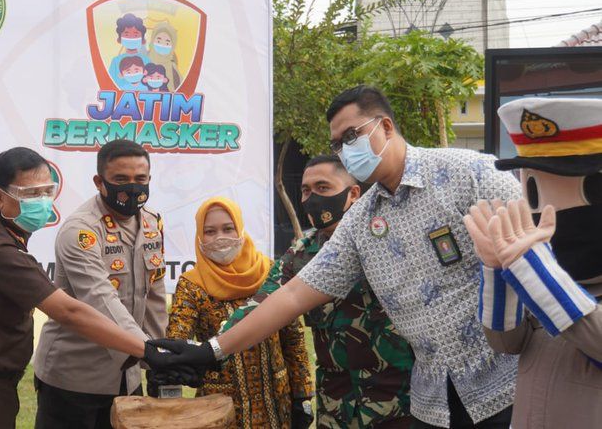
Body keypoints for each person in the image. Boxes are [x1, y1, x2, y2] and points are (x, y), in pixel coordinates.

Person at [148, 85, 523, 428]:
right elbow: (294, 294)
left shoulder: (470, 175)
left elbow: (537, 256)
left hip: (505, 386)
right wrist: (210, 351)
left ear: (386, 126)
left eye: (351, 136)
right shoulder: (361, 222)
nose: (346, 150)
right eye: (338, 144)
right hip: (432, 404)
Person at [0, 147, 171, 429]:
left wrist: (158, 353)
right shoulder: (3, 247)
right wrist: (150, 352)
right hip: (47, 380)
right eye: (32, 194)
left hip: (0, 381)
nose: (44, 202)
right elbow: (72, 310)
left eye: (48, 191)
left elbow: (152, 295)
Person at [220, 155, 415, 428]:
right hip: (336, 407)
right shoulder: (300, 255)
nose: (312, 198)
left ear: (353, 194)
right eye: (306, 190)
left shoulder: (387, 243)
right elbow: (261, 304)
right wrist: (209, 349)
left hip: (397, 403)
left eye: (323, 188)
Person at [464, 97, 602, 428]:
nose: (544, 213)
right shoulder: (551, 270)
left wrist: (534, 268)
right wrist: (498, 271)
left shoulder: (545, 272)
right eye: (534, 194)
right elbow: (507, 343)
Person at [33, 140, 168, 429]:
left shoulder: (152, 223)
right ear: (99, 182)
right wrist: (151, 353)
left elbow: (154, 298)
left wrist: (158, 362)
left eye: (140, 179)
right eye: (121, 179)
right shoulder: (80, 231)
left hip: (127, 376)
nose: (132, 188)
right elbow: (101, 301)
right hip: (74, 377)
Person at [165, 196, 314, 428]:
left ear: (240, 229)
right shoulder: (192, 284)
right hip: (219, 410)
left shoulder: (270, 273)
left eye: (228, 228)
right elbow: (178, 334)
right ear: (199, 237)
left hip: (276, 403)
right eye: (210, 231)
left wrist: (303, 395)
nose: (220, 238)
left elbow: (293, 339)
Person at [108, 13, 150, 90]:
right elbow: (109, 82)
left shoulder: (146, 60)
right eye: (126, 35)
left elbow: (150, 82)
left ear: (142, 39)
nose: (131, 38)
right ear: (120, 38)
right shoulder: (115, 61)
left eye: (135, 35)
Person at [146, 21, 182, 91]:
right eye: (159, 41)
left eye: (167, 42)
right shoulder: (144, 62)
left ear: (172, 46)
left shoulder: (173, 68)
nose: (162, 45)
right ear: (152, 40)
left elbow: (182, 89)